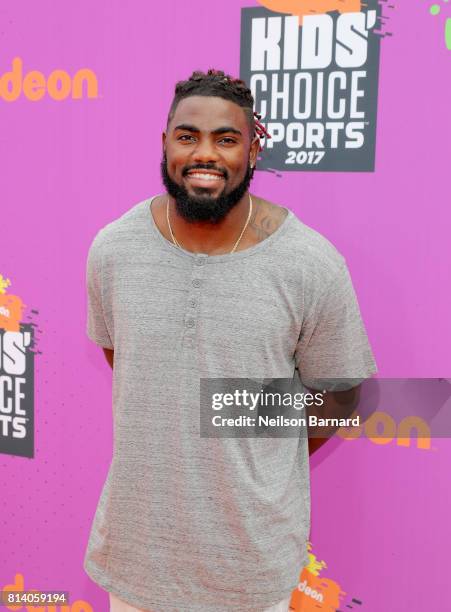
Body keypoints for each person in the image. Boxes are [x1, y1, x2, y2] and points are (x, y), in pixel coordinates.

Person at [83, 69, 377, 612]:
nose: (205, 154)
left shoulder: (310, 263)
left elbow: (338, 395)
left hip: (250, 571)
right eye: (188, 135)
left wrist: (261, 454)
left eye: (227, 138)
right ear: (166, 142)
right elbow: (121, 358)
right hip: (133, 562)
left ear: (254, 150)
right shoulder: (113, 250)